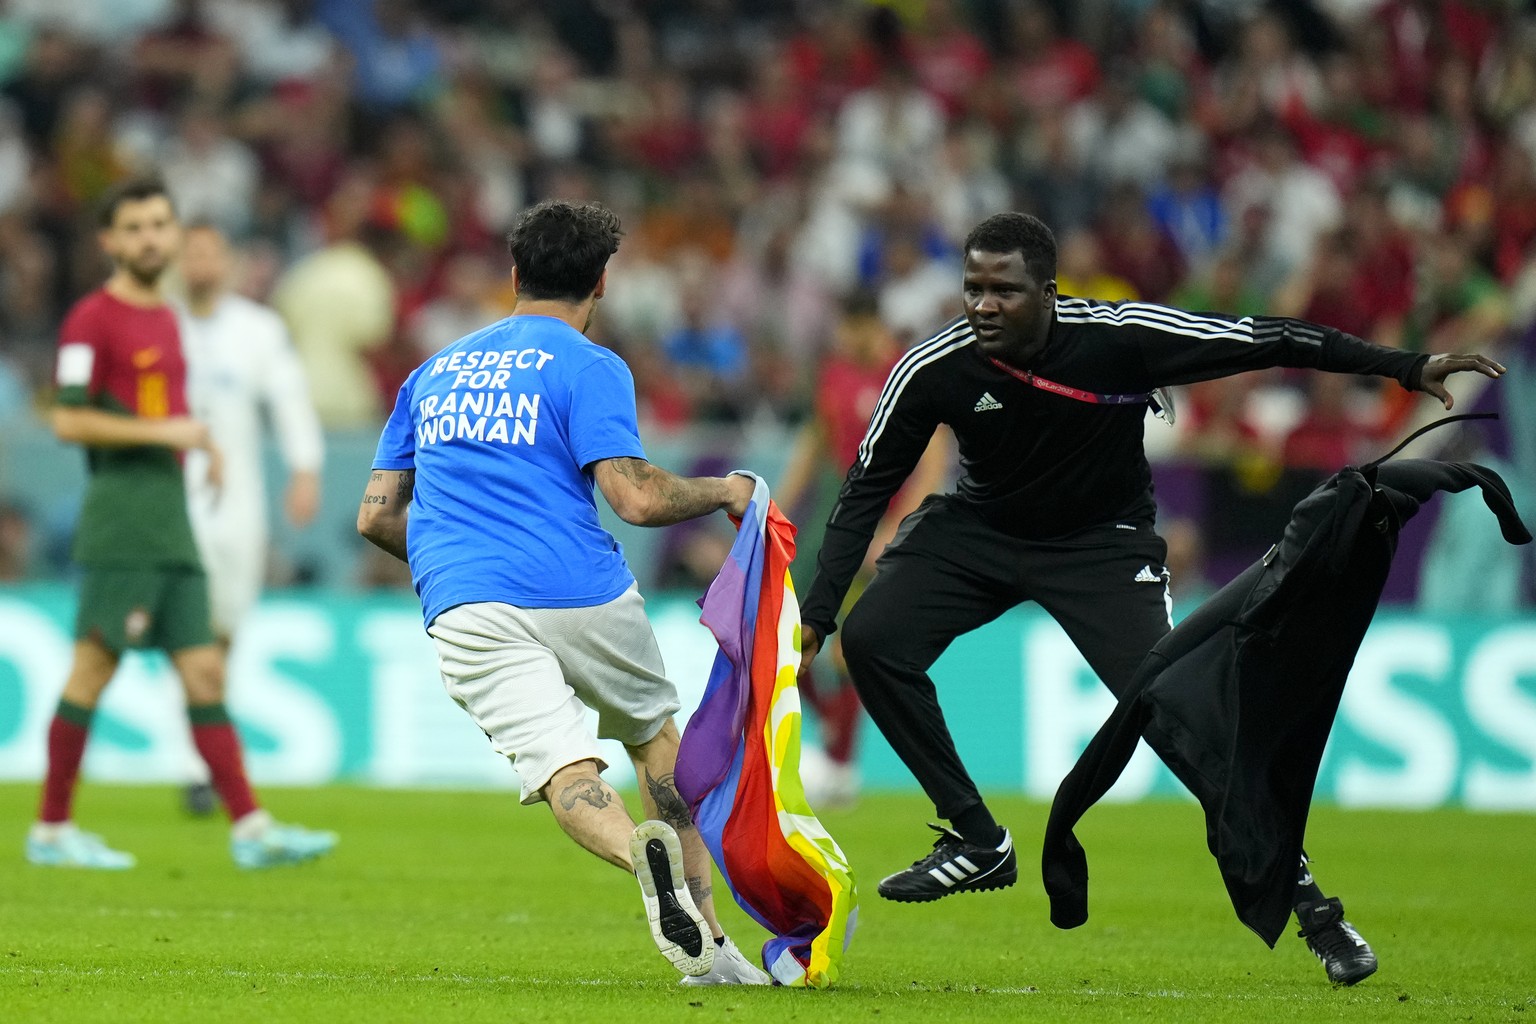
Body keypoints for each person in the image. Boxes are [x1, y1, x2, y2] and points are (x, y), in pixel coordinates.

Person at [796, 211, 1506, 985]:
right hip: (980, 532)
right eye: (973, 287)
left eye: (1004, 289)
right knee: (872, 641)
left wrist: (1404, 366)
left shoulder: (1121, 338)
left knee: (1184, 721)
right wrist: (817, 616)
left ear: (1049, 293)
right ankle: (975, 839)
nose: (984, 304)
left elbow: (1265, 337)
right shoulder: (935, 366)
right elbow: (864, 489)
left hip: (1103, 548)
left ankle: (1314, 910)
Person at [356, 199, 769, 986]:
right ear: (602, 284)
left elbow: (375, 516)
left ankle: (633, 856)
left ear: (514, 275)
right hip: (582, 587)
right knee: (653, 743)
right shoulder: (591, 366)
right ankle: (713, 949)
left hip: (467, 601)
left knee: (566, 771)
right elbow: (637, 499)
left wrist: (456, 551)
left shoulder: (431, 373)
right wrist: (723, 490)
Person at [26, 177, 337, 871]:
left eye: (159, 225)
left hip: (175, 521)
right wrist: (168, 431)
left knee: (203, 673)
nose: (150, 239)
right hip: (127, 523)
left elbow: (169, 416)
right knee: (91, 671)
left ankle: (251, 828)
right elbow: (67, 417)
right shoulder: (93, 319)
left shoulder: (167, 320)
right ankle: (50, 828)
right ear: (109, 242)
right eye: (134, 227)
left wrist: (201, 446)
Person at [775, 292, 949, 809]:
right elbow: (814, 449)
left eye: (854, 327)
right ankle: (833, 729)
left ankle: (842, 766)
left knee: (854, 645)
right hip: (838, 529)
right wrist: (772, 513)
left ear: (873, 324)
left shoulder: (907, 374)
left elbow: (932, 460)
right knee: (788, 637)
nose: (846, 339)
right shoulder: (833, 376)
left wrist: (897, 528)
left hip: (888, 535)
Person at [176, 220, 326, 816]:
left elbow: (288, 399)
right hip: (173, 500)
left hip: (238, 506)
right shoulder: (162, 325)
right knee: (188, 630)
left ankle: (203, 753)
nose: (201, 265)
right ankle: (195, 765)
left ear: (229, 262)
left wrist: (305, 468)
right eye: (191, 255)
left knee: (225, 632)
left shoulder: (257, 330)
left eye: (210, 254)